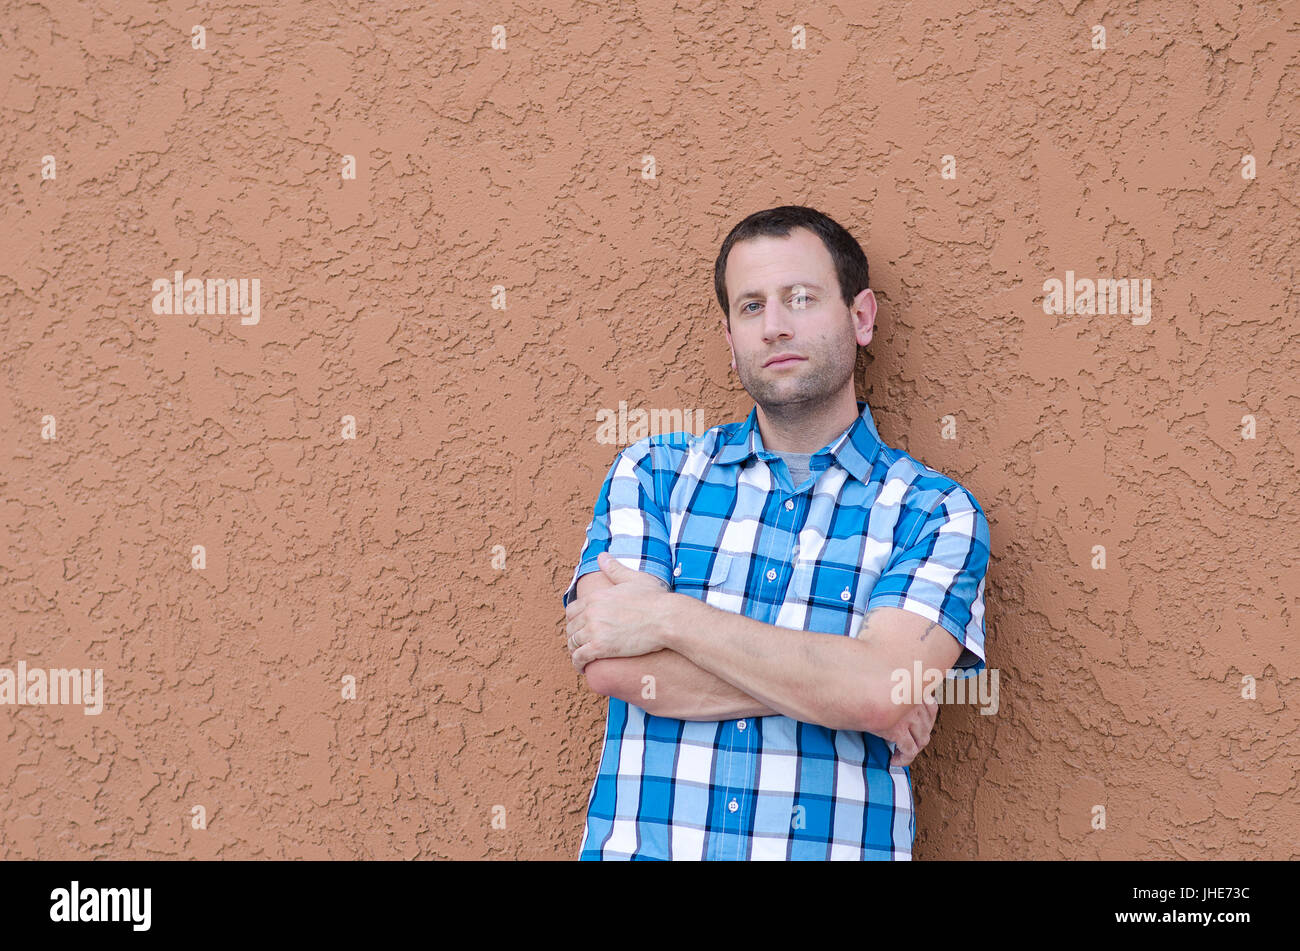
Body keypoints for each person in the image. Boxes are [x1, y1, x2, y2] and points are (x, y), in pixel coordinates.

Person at [562, 205, 991, 860]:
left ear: (862, 316)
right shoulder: (652, 472)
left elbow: (878, 691)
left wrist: (669, 618)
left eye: (801, 298)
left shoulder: (934, 513)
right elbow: (619, 668)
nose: (775, 326)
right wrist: (848, 689)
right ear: (730, 337)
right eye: (751, 306)